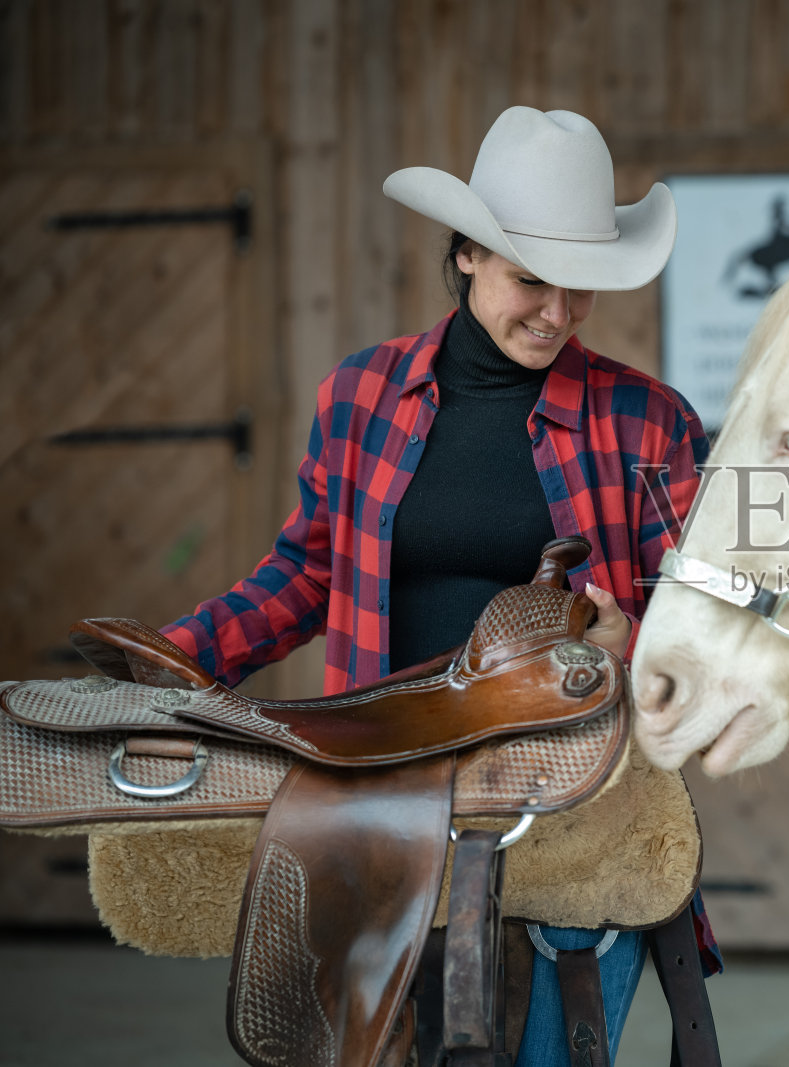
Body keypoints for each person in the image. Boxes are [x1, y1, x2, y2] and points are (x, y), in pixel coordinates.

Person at [160, 106, 719, 1066]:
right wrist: (179, 655)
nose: (558, 313)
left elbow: (704, 621)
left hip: (569, 797)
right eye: (531, 280)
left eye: (580, 286)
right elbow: (309, 570)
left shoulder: (649, 420)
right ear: (466, 253)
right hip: (381, 788)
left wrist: (637, 637)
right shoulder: (360, 394)